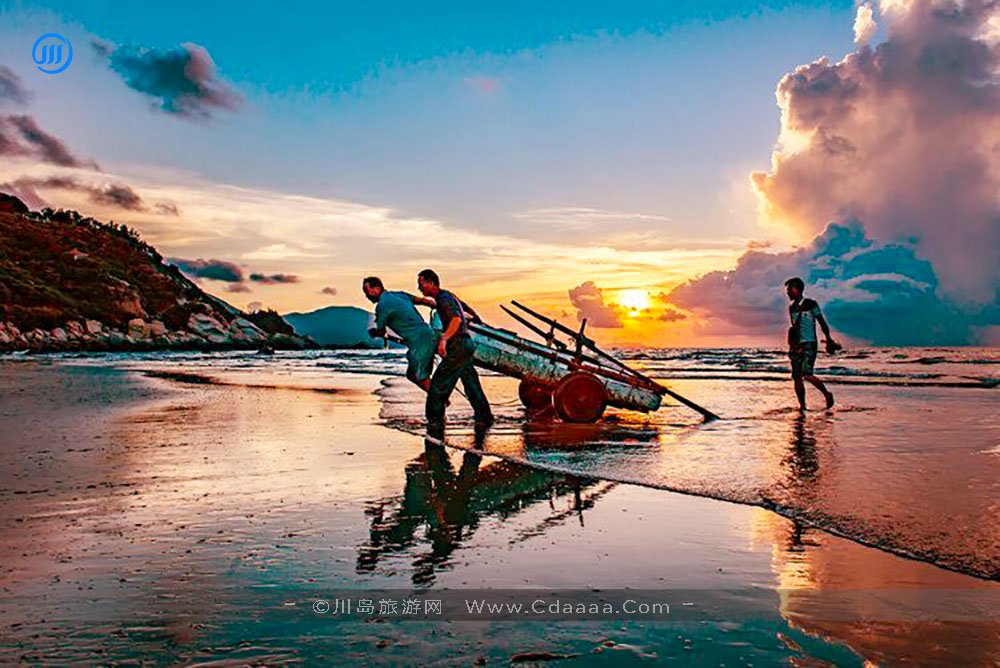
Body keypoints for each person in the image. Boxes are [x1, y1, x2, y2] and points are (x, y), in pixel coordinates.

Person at [417, 269, 493, 438]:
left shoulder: (444, 298)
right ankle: (485, 418)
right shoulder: (448, 296)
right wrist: (478, 320)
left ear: (430, 282)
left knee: (438, 386)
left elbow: (457, 319)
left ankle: (435, 423)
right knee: (471, 385)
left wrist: (444, 339)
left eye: (421, 283)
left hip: (458, 345)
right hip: (466, 344)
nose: (419, 288)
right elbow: (466, 308)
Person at [363, 276, 437, 391]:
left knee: (420, 377)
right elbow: (424, 301)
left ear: (377, 288)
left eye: (367, 292)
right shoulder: (399, 294)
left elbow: (381, 331)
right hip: (426, 333)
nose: (367, 296)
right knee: (412, 375)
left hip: (420, 340)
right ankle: (439, 399)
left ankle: (439, 400)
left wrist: (375, 333)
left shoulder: (382, 306)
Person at [785, 277, 839, 411]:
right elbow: (794, 327)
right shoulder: (791, 308)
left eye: (789, 289)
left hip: (809, 343)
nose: (787, 293)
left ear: (797, 289)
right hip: (796, 346)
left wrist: (828, 339)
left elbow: (821, 322)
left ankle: (827, 394)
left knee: (807, 373)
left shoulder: (811, 304)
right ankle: (802, 406)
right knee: (797, 377)